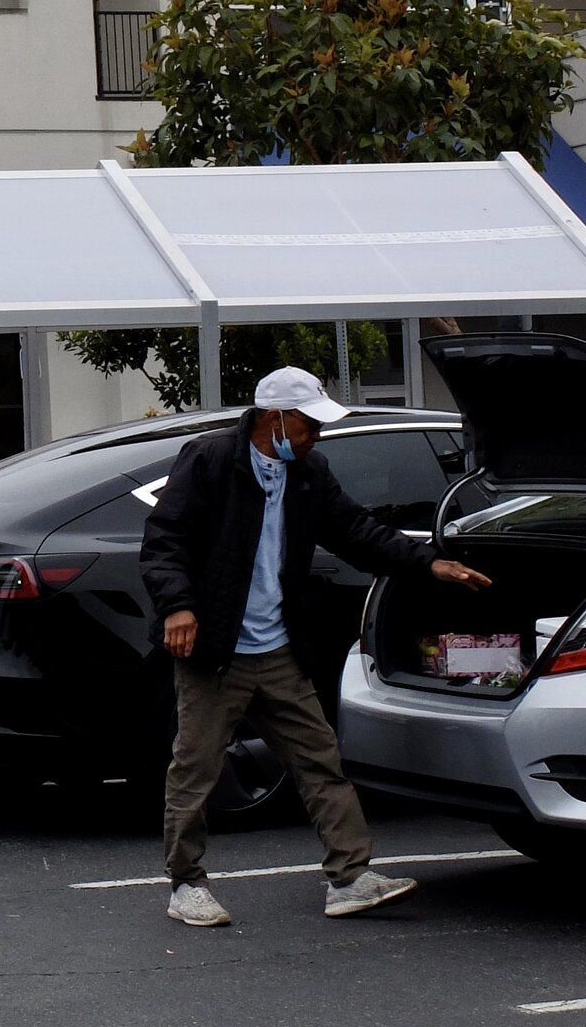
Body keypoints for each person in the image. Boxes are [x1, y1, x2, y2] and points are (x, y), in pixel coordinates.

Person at [140, 366, 493, 928]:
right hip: (217, 650)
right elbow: (164, 540)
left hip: (278, 649)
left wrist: (429, 563)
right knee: (196, 768)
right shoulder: (209, 460)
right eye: (309, 424)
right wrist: (178, 606)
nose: (316, 436)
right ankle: (186, 883)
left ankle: (350, 878)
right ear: (273, 418)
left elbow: (357, 532)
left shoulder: (308, 470)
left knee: (320, 761)